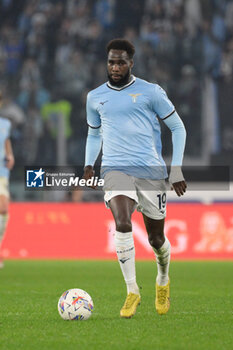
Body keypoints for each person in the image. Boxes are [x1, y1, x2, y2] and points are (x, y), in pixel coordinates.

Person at [83, 38, 187, 318]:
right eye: (111, 62)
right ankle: (132, 291)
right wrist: (89, 164)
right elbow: (94, 133)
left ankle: (162, 279)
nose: (115, 67)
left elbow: (178, 128)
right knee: (122, 222)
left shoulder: (151, 92)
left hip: (151, 172)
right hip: (115, 169)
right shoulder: (95, 97)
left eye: (121, 62)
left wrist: (175, 169)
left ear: (131, 63)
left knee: (156, 239)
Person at [0, 92, 15, 268]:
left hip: (2, 172)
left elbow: (6, 141)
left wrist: (10, 154)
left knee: (4, 208)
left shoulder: (5, 124)